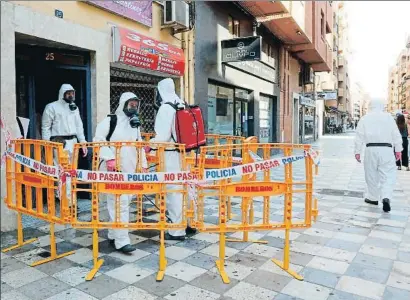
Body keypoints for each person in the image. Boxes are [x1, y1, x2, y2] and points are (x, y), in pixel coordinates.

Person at [93, 92, 147, 253]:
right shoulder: (110, 120)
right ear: (123, 104)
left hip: (130, 170)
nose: (134, 107)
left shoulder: (135, 124)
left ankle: (113, 233)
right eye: (131, 103)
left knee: (121, 202)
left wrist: (143, 164)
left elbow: (139, 144)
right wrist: (109, 158)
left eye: (136, 104)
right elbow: (98, 140)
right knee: (120, 203)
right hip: (113, 170)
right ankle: (122, 241)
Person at [148, 78, 196, 241]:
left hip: (171, 154)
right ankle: (190, 223)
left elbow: (162, 137)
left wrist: (149, 145)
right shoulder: (182, 103)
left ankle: (176, 230)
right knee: (187, 187)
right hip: (187, 153)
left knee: (174, 191)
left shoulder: (166, 108)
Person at [354, 99, 403, 212]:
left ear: (370, 106)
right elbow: (396, 135)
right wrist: (398, 150)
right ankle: (386, 196)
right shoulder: (388, 118)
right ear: (382, 106)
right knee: (388, 175)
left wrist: (357, 152)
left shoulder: (365, 118)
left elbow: (359, 136)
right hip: (386, 149)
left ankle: (373, 197)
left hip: (370, 149)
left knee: (371, 174)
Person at [42, 84, 88, 199]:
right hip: (59, 142)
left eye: (72, 93)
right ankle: (65, 199)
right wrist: (47, 143)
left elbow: (79, 126)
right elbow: (45, 127)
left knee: (72, 171)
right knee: (61, 171)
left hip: (73, 142)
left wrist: (83, 142)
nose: (71, 95)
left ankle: (69, 197)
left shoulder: (74, 108)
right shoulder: (52, 107)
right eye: (68, 93)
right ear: (62, 93)